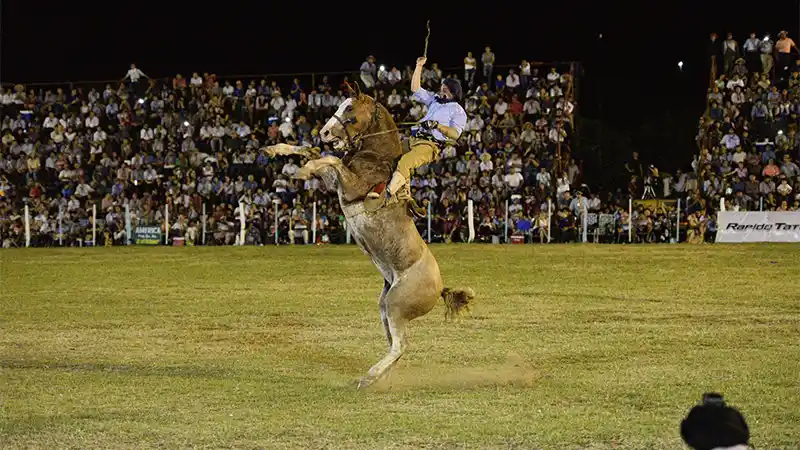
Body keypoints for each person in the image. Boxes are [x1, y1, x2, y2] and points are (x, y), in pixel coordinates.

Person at [367, 55, 468, 204]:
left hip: (429, 145)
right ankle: (395, 188)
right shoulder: (434, 100)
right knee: (390, 153)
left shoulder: (458, 110)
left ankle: (387, 195)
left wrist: (437, 125)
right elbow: (415, 88)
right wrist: (419, 66)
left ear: (452, 91)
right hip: (414, 138)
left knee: (406, 161)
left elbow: (455, 134)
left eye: (444, 88)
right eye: (441, 88)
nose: (441, 90)